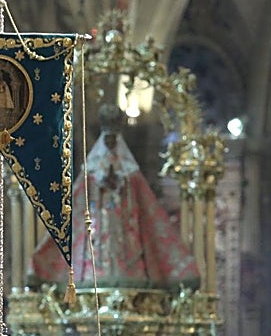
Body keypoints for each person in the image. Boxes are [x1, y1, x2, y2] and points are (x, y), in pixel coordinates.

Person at [29, 106, 200, 289]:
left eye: (113, 140)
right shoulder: (91, 174)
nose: (110, 144)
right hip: (95, 234)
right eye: (108, 140)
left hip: (127, 239)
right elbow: (75, 207)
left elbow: (149, 209)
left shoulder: (130, 174)